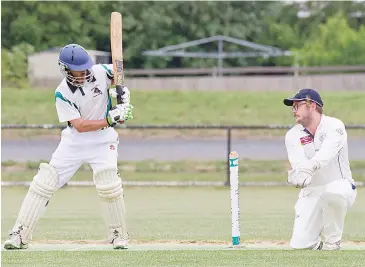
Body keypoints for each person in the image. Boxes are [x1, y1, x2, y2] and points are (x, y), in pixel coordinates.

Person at [4, 44, 133, 250]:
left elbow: (119, 73)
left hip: (103, 140)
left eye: (84, 68)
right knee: (44, 182)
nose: (82, 73)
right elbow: (80, 126)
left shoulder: (101, 72)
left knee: (109, 182)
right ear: (65, 69)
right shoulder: (62, 93)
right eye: (77, 70)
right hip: (74, 142)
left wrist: (123, 96)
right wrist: (110, 118)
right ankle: (20, 233)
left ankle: (118, 234)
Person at [283, 88, 357, 250]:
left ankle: (332, 241)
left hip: (340, 185)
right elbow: (299, 163)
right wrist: (298, 176)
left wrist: (308, 168)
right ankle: (317, 243)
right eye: (292, 107)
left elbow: (326, 154)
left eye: (297, 106)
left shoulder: (334, 126)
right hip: (312, 191)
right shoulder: (292, 135)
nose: (293, 111)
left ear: (312, 106)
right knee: (300, 245)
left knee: (333, 193)